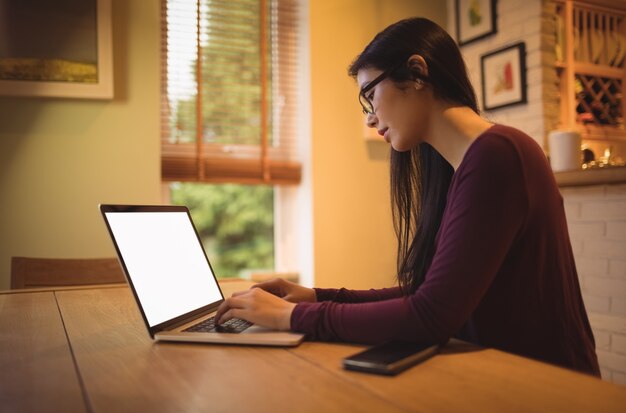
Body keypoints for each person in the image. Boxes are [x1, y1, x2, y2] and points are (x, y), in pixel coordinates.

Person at [215, 17, 600, 376]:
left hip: (549, 388)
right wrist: (314, 296)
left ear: (416, 72)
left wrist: (288, 318)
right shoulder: (467, 164)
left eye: (370, 94)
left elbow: (429, 316)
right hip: (504, 377)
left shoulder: (497, 154)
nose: (368, 117)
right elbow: (430, 292)